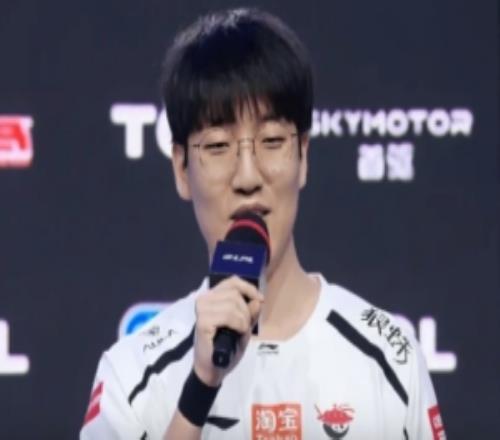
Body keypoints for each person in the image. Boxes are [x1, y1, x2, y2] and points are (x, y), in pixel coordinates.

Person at [80, 8, 445, 440]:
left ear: (303, 156)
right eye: (218, 146)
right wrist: (200, 387)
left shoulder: (387, 361)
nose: (248, 176)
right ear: (181, 168)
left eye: (271, 141)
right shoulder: (132, 374)